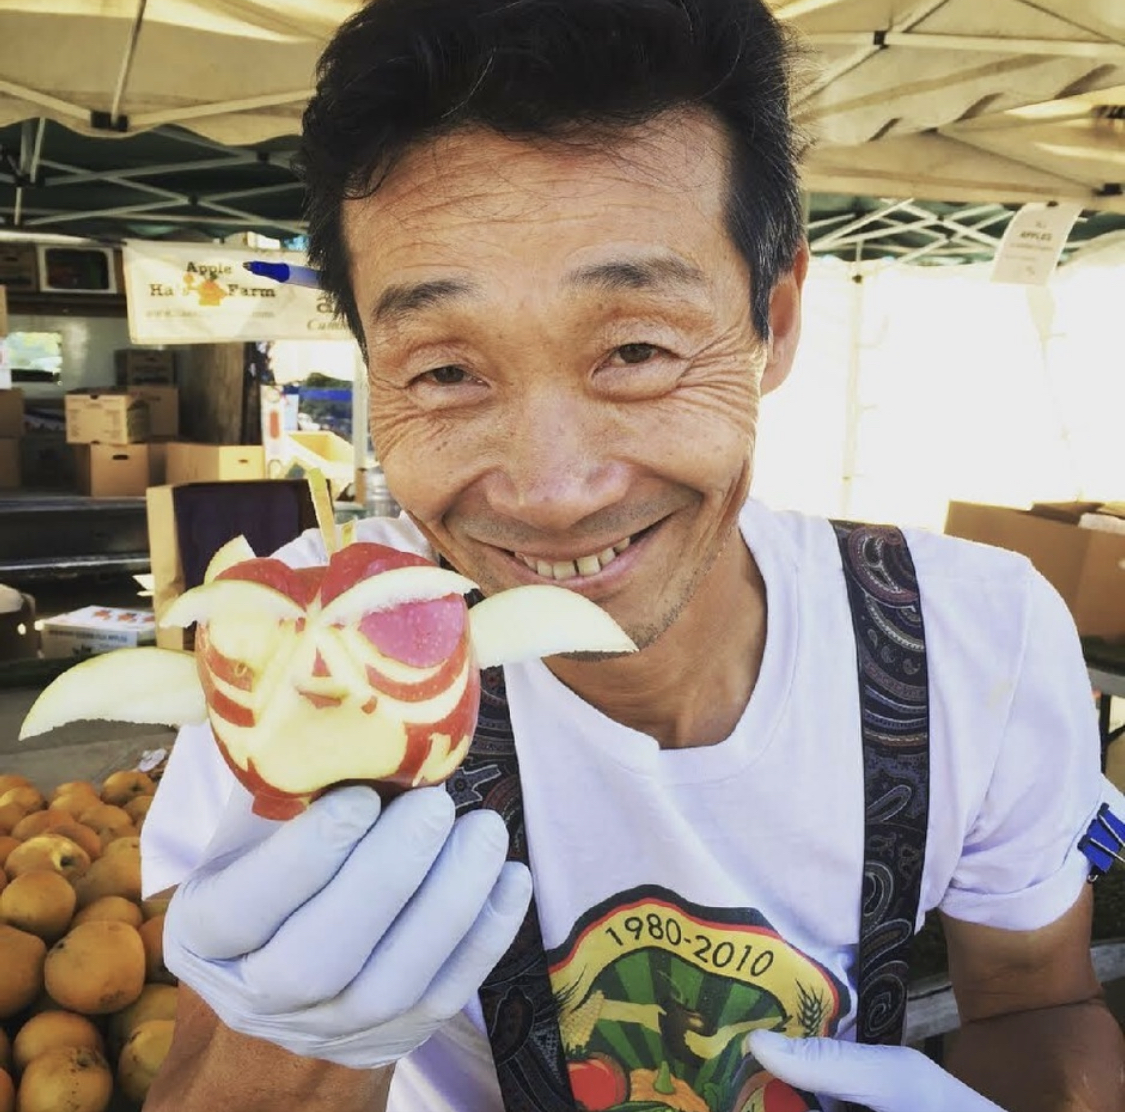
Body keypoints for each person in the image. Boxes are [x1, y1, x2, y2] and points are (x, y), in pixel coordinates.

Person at [139, 1, 1125, 1110]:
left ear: (778, 317)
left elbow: (1038, 1000)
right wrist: (287, 1042)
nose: (553, 490)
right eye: (446, 371)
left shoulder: (968, 637)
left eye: (638, 348)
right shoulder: (299, 668)